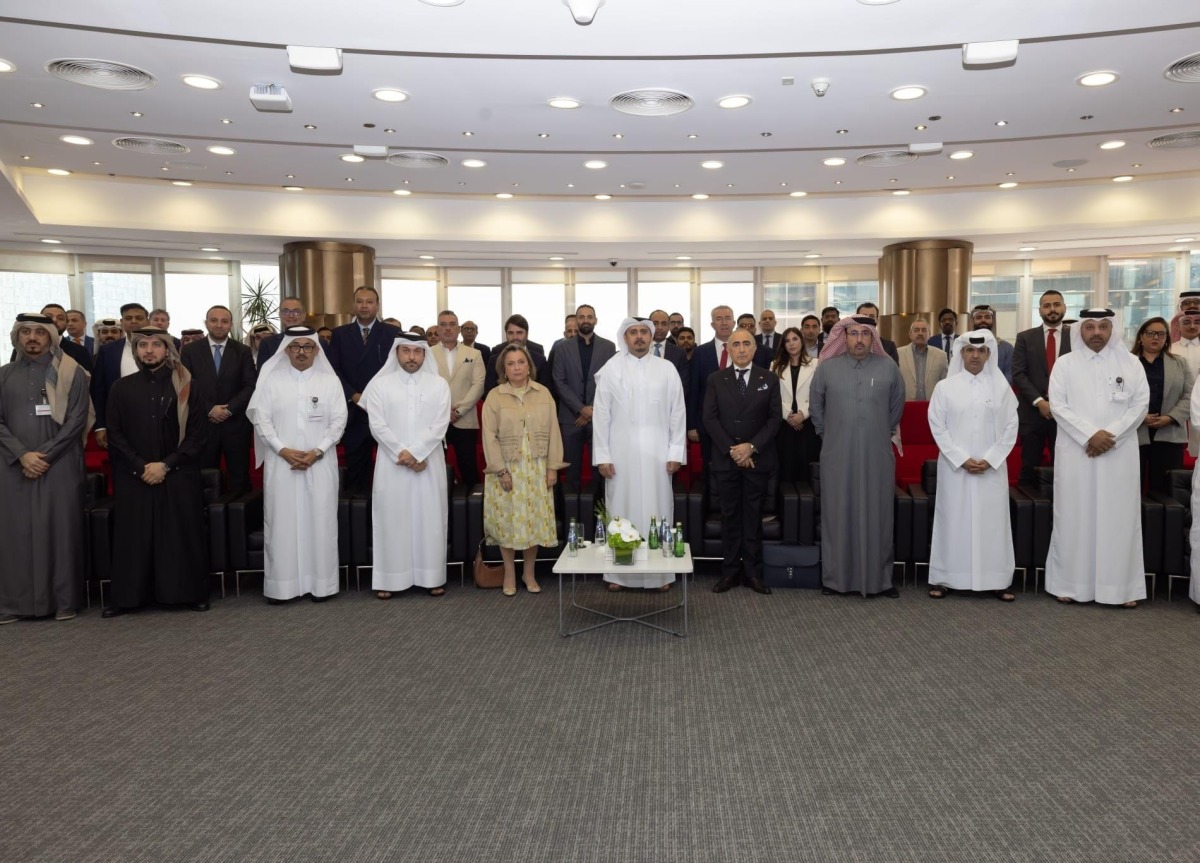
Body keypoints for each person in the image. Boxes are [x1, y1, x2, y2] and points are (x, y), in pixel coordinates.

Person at [102, 327, 210, 617]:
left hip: (178, 473)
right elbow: (115, 434)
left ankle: (188, 594)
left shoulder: (187, 386)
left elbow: (198, 435)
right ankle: (128, 598)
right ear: (136, 351)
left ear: (168, 350)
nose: (149, 350)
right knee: (133, 536)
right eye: (143, 345)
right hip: (134, 475)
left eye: (156, 345)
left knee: (179, 534)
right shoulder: (121, 388)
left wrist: (167, 464)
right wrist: (140, 466)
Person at [1044, 309, 1148, 608]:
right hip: (1077, 451)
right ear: (1080, 330)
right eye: (1089, 327)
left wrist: (1109, 436)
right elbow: (1059, 406)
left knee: (1119, 519)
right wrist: (1090, 435)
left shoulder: (1132, 363)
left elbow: (1140, 406)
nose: (1096, 332)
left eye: (1103, 326)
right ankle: (1069, 584)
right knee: (1075, 516)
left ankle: (1121, 588)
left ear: (1112, 329)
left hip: (1118, 452)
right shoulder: (1065, 364)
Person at [0, 313, 91, 624]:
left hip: (61, 464)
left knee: (60, 531)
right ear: (17, 337)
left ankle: (64, 601)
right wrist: (22, 455)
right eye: (25, 332)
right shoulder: (3, 375)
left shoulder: (71, 373)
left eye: (39, 331)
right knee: (14, 534)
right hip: (12, 465)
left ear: (52, 336)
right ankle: (13, 604)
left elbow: (76, 421)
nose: (32, 337)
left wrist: (44, 457)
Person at [246, 326, 347, 604]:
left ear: (316, 350)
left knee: (321, 521)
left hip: (320, 462)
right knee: (282, 523)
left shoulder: (330, 382)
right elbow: (261, 420)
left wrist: (318, 450)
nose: (301, 352)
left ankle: (322, 586)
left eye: (307, 347)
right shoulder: (271, 380)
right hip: (281, 464)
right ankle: (283, 587)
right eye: (295, 346)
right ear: (286, 349)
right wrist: (282, 450)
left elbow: (339, 421)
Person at [811, 315, 906, 597]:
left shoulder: (889, 367)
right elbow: (817, 410)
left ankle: (880, 580)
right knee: (838, 513)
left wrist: (875, 433)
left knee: (879, 514)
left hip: (877, 454)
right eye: (853, 333)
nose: (860, 339)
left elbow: (896, 409)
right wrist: (833, 437)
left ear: (873, 338)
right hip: (837, 454)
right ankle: (836, 579)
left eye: (866, 334)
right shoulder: (827, 369)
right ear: (844, 336)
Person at [592, 318, 687, 592]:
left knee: (659, 510)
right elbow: (601, 415)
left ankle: (660, 575)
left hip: (658, 455)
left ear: (651, 336)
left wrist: (675, 453)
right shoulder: (611, 369)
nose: (639, 337)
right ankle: (618, 575)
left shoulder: (666, 369)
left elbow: (677, 413)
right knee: (621, 509)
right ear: (625, 337)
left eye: (643, 332)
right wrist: (603, 456)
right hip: (620, 456)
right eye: (633, 332)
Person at [926, 330, 1019, 601]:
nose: (975, 355)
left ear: (989, 354)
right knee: (952, 521)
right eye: (969, 350)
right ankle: (945, 578)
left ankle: (997, 580)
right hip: (956, 468)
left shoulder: (1001, 388)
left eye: (981, 351)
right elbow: (937, 426)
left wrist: (990, 459)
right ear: (961, 354)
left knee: (993, 524)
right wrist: (961, 458)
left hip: (992, 468)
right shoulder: (945, 388)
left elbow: (1011, 427)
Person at [363, 333, 452, 599]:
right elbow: (377, 424)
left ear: (425, 355)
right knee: (392, 518)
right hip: (393, 464)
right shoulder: (380, 386)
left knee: (430, 519)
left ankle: (432, 577)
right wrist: (404, 454)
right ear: (396, 353)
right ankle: (390, 579)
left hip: (429, 461)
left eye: (417, 352)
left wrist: (417, 452)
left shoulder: (439, 385)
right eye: (406, 351)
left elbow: (440, 423)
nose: (411, 357)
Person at [481, 343, 565, 597]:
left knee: (533, 523)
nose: (517, 367)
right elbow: (489, 436)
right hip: (506, 469)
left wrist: (553, 468)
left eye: (521, 362)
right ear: (504, 370)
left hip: (537, 468)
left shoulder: (544, 394)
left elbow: (554, 433)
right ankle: (509, 572)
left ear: (529, 366)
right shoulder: (495, 396)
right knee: (508, 522)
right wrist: (500, 470)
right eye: (511, 364)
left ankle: (529, 573)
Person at [704, 327, 781, 595]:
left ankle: (753, 573)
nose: (741, 349)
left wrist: (751, 448)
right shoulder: (716, 379)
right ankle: (729, 573)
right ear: (728, 349)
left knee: (753, 519)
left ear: (755, 348)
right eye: (735, 344)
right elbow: (710, 419)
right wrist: (734, 451)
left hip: (757, 461)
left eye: (746, 343)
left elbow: (774, 420)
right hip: (726, 461)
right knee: (730, 517)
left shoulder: (768, 378)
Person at [325, 286, 401, 494]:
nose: (364, 305)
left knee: (391, 467)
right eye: (360, 301)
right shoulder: (339, 334)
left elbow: (398, 369)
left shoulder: (392, 333)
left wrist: (376, 397)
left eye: (369, 301)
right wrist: (354, 395)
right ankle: (360, 521)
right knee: (357, 471)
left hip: (386, 410)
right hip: (354, 410)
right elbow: (334, 370)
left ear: (377, 305)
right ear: (353, 306)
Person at [180, 305, 257, 496]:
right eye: (214, 320)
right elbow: (186, 385)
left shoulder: (243, 351)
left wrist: (228, 409)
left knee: (239, 477)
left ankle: (239, 522)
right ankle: (206, 521)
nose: (219, 325)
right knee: (205, 477)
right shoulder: (190, 351)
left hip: (236, 425)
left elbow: (250, 386)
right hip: (203, 425)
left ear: (231, 324)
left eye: (224, 321)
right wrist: (209, 409)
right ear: (206, 323)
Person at [551, 304, 616, 489]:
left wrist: (591, 410)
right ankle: (572, 514)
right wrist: (581, 409)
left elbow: (611, 382)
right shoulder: (562, 348)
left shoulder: (609, 347)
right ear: (576, 320)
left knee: (599, 471)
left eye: (589, 316)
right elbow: (559, 381)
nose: (585, 320)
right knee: (570, 471)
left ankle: (598, 515)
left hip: (600, 418)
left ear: (595, 320)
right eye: (581, 317)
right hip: (570, 419)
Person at [1012, 290, 1072, 485]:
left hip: (1067, 414)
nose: (1052, 309)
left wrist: (1057, 404)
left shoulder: (1078, 337)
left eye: (1056, 304)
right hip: (1032, 413)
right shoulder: (1024, 338)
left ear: (1064, 308)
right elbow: (1019, 374)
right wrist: (1039, 402)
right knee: (1028, 467)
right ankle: (1026, 512)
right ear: (1039, 311)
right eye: (1047, 305)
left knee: (1064, 468)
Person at [1131, 316, 1192, 494]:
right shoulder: (1127, 363)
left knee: (1166, 490)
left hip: (1169, 433)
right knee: (1132, 488)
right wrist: (1139, 417)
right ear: (1141, 337)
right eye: (1150, 333)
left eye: (1160, 334)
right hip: (1134, 432)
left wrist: (1171, 417)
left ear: (1166, 338)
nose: (1155, 337)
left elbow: (1190, 395)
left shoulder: (1180, 363)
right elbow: (1116, 396)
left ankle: (1165, 523)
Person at [430, 309, 485, 488]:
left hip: (465, 419)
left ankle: (472, 510)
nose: (447, 329)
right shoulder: (426, 354)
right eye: (443, 325)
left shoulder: (473, 354)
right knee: (435, 470)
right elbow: (423, 387)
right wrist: (444, 411)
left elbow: (478, 386)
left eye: (452, 324)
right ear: (438, 329)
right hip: (435, 419)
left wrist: (458, 411)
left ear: (458, 328)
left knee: (469, 468)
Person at [91, 302, 150, 450]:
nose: (134, 321)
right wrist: (100, 426)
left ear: (147, 321)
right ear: (122, 322)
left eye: (139, 318)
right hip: (119, 422)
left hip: (156, 421)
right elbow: (99, 390)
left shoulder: (164, 347)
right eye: (129, 318)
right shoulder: (108, 351)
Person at [688, 304, 736, 467]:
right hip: (708, 424)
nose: (724, 323)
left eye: (727, 318)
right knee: (711, 469)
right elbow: (694, 389)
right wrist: (692, 425)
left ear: (734, 323)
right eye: (719, 319)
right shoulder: (700, 352)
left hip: (739, 424)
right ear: (712, 324)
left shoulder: (745, 350)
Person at [772, 326, 819, 482]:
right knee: (786, 466)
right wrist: (789, 416)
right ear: (783, 345)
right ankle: (785, 504)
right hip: (784, 423)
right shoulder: (775, 366)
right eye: (787, 341)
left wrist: (803, 415)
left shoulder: (816, 364)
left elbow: (819, 395)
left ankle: (807, 504)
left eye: (795, 339)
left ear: (802, 341)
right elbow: (772, 396)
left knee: (807, 465)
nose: (791, 344)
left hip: (808, 422)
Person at [11, 303, 93, 373]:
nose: (54, 320)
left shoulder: (80, 351)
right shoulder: (23, 347)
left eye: (60, 318)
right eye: (49, 317)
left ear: (66, 323)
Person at [484, 314, 548, 392]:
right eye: (510, 333)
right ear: (506, 334)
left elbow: (544, 389)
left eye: (519, 333)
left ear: (527, 334)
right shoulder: (495, 356)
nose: (515, 337)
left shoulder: (539, 358)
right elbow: (489, 390)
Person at [1169, 301, 1200, 458]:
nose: (1192, 326)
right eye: (1186, 322)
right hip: (1176, 408)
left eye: (1197, 322)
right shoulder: (1169, 350)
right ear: (1178, 326)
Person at [896, 318, 948, 400]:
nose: (920, 333)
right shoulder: (898, 354)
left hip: (932, 406)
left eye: (924, 330)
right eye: (916, 330)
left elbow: (945, 385)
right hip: (906, 407)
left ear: (929, 334)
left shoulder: (941, 356)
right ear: (910, 334)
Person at [255, 297, 308, 368]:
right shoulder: (267, 344)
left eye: (296, 312)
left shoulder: (319, 343)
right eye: (286, 312)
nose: (291, 316)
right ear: (280, 315)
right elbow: (262, 375)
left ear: (304, 315)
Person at [647, 309, 690, 395]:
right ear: (648, 326)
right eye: (655, 323)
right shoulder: (639, 350)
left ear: (668, 327)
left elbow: (683, 385)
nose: (659, 327)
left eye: (664, 324)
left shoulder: (679, 353)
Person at [969, 305, 1014, 382]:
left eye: (987, 317)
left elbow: (1010, 374)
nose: (983, 320)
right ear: (973, 321)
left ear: (993, 320)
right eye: (979, 317)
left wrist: (996, 390)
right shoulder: (965, 346)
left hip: (999, 391)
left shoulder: (1006, 348)